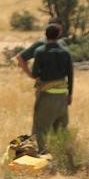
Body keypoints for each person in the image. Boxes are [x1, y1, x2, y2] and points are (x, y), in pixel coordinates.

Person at [25, 23, 74, 153]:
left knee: (40, 129)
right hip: (63, 96)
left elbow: (35, 74)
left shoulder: (40, 52)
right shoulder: (66, 52)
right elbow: (70, 75)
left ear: (45, 35)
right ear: (59, 35)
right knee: (61, 130)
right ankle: (64, 156)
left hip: (47, 95)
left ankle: (41, 158)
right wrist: (70, 95)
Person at [14, 16, 65, 80]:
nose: (57, 32)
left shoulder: (61, 42)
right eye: (55, 29)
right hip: (44, 83)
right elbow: (20, 57)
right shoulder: (42, 43)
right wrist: (31, 75)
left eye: (59, 29)